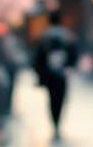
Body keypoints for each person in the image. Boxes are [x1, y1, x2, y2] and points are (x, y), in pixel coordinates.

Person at [33, 10, 78, 140]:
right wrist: (70, 66)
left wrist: (39, 73)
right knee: (61, 98)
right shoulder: (67, 36)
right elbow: (73, 54)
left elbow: (39, 57)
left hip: (49, 73)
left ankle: (54, 122)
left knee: (51, 99)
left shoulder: (45, 36)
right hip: (62, 72)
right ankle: (58, 122)